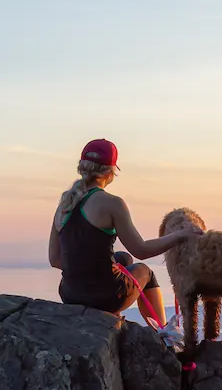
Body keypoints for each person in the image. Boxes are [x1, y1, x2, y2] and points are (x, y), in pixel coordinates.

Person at [48, 138, 201, 325]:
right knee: (146, 272)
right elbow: (142, 251)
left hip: (70, 294)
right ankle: (163, 335)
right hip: (106, 297)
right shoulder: (112, 203)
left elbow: (55, 259)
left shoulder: (65, 204)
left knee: (124, 258)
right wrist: (179, 235)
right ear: (110, 172)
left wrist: (84, 271)